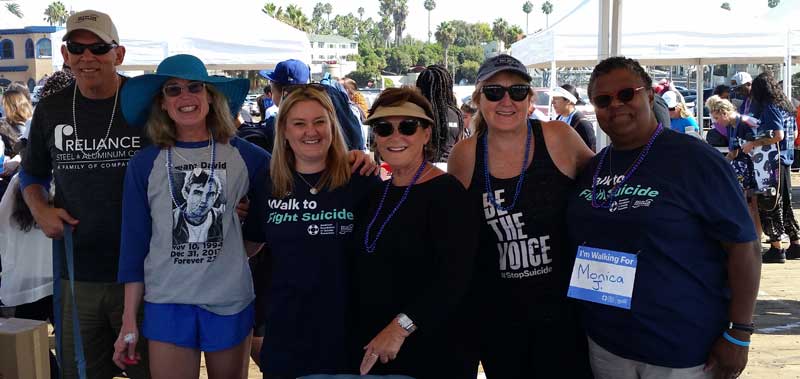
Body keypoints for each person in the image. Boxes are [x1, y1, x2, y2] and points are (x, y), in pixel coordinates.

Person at [567, 56, 760, 379]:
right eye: (603, 100)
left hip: (681, 349)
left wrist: (739, 331)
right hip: (607, 345)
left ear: (650, 97)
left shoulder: (695, 159)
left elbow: (744, 247)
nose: (616, 105)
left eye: (627, 94)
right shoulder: (594, 167)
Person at [113, 54, 269, 378]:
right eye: (173, 90)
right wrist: (129, 319)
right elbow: (134, 245)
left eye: (194, 87)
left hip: (230, 301)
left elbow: (292, 181)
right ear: (163, 104)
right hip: (168, 302)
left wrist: (353, 160)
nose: (185, 96)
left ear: (210, 97)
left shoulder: (246, 157)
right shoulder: (144, 164)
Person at [20, 10, 151, 379]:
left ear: (119, 54)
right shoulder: (51, 108)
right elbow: (32, 172)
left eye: (98, 48)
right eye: (77, 47)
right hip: (78, 275)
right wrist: (40, 208)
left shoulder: (145, 104)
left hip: (145, 275)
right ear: (65, 53)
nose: (86, 57)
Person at [447, 54, 595, 378]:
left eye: (517, 91)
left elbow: (602, 188)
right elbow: (448, 228)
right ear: (478, 99)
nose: (506, 101)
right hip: (498, 317)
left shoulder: (558, 137)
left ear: (529, 99)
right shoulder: (464, 154)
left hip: (564, 314)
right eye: (494, 92)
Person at [355, 87, 479, 378]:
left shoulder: (448, 194)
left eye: (408, 126)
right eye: (384, 128)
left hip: (434, 351)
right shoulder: (376, 193)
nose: (395, 136)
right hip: (378, 350)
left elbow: (455, 279)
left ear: (426, 133)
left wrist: (399, 329)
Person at [260, 84, 377, 379]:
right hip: (287, 336)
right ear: (284, 131)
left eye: (319, 122)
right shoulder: (267, 182)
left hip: (349, 336)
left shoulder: (361, 180)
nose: (310, 131)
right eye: (299, 123)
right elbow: (250, 249)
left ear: (332, 126)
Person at [747, 72, 799, 263]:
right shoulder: (786, 105)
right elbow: (792, 134)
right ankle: (795, 243)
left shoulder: (769, 107)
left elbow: (778, 135)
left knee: (770, 203)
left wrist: (754, 143)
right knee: (784, 203)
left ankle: (777, 248)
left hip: (772, 161)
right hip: (785, 160)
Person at [706, 94, 763, 248]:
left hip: (750, 168)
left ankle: (756, 239)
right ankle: (750, 238)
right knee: (744, 204)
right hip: (740, 170)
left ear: (725, 113)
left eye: (717, 118)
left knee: (752, 204)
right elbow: (733, 153)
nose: (717, 122)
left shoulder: (742, 124)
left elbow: (751, 147)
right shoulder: (731, 126)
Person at [416, 65, 465, 162]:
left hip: (421, 169)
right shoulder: (456, 114)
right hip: (450, 168)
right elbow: (460, 144)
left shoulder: (417, 113)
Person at [549, 84, 596, 151]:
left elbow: (592, 151)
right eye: (552, 99)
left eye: (556, 99)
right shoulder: (559, 118)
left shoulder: (583, 123)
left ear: (568, 101)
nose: (552, 102)